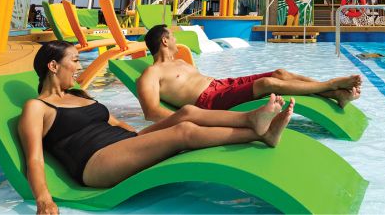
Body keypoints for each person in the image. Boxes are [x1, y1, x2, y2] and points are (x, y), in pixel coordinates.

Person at [19, 41, 295, 215]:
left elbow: (114, 123)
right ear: (53, 65)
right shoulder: (37, 107)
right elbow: (34, 158)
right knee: (182, 131)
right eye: (75, 61)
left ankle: (256, 124)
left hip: (123, 143)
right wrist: (44, 199)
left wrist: (144, 136)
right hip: (96, 162)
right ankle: (255, 128)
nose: (79, 67)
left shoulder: (79, 95)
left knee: (186, 112)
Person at [137, 25, 362, 121]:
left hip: (221, 85)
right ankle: (331, 85)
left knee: (279, 73)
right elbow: (152, 112)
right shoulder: (151, 73)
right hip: (208, 101)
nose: (176, 40)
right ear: (165, 41)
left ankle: (335, 95)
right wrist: (196, 119)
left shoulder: (181, 62)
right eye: (173, 37)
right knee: (267, 84)